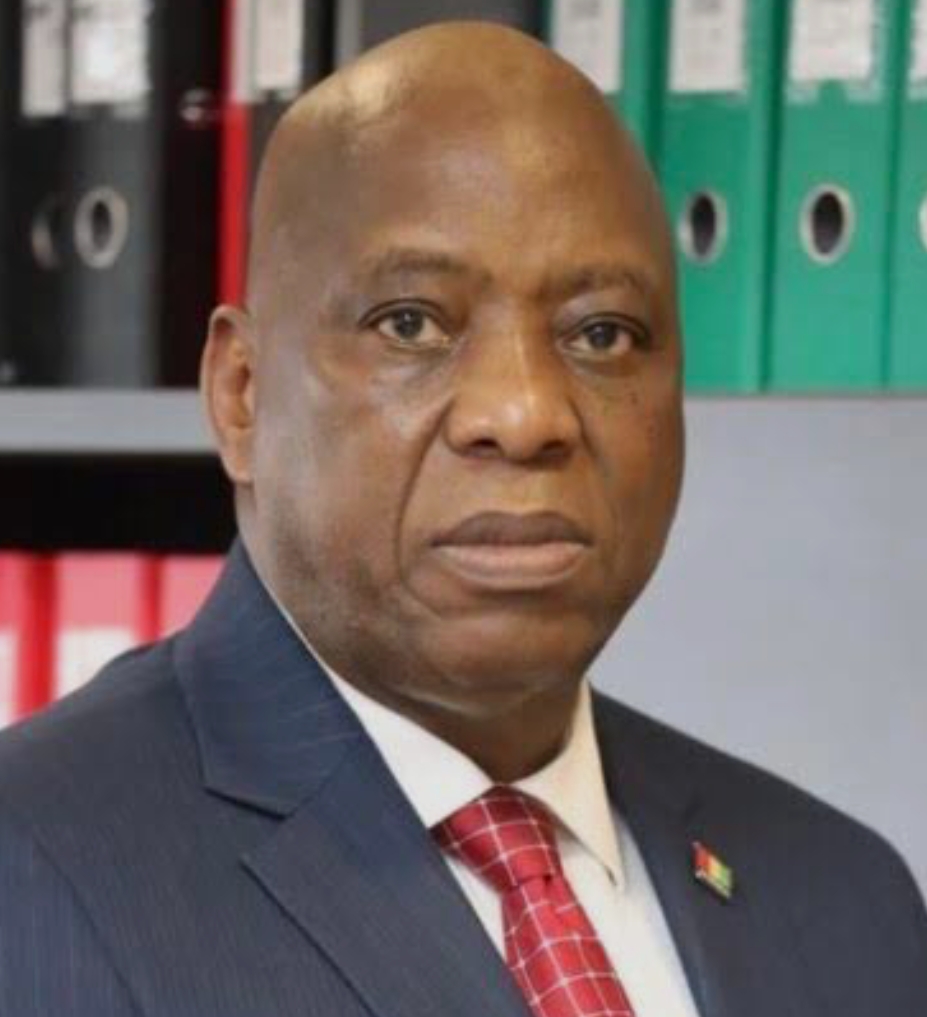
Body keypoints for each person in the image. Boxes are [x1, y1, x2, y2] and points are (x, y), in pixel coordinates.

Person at [0, 22, 924, 1017]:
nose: (524, 414)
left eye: (602, 333)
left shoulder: (843, 898)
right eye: (411, 323)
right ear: (242, 394)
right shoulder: (32, 873)